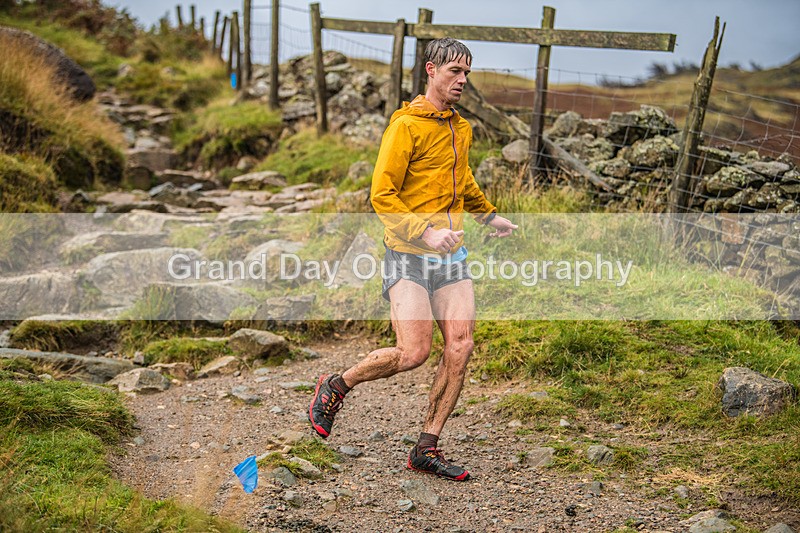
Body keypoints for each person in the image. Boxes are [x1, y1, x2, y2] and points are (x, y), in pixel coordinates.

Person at [309, 37, 518, 481]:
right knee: (414, 352)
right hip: (407, 252)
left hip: (452, 256)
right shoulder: (405, 126)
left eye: (466, 73)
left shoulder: (461, 128)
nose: (462, 80)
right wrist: (425, 230)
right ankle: (337, 384)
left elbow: (463, 181)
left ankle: (427, 446)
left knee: (460, 345)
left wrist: (489, 216)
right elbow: (381, 194)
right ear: (431, 70)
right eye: (453, 72)